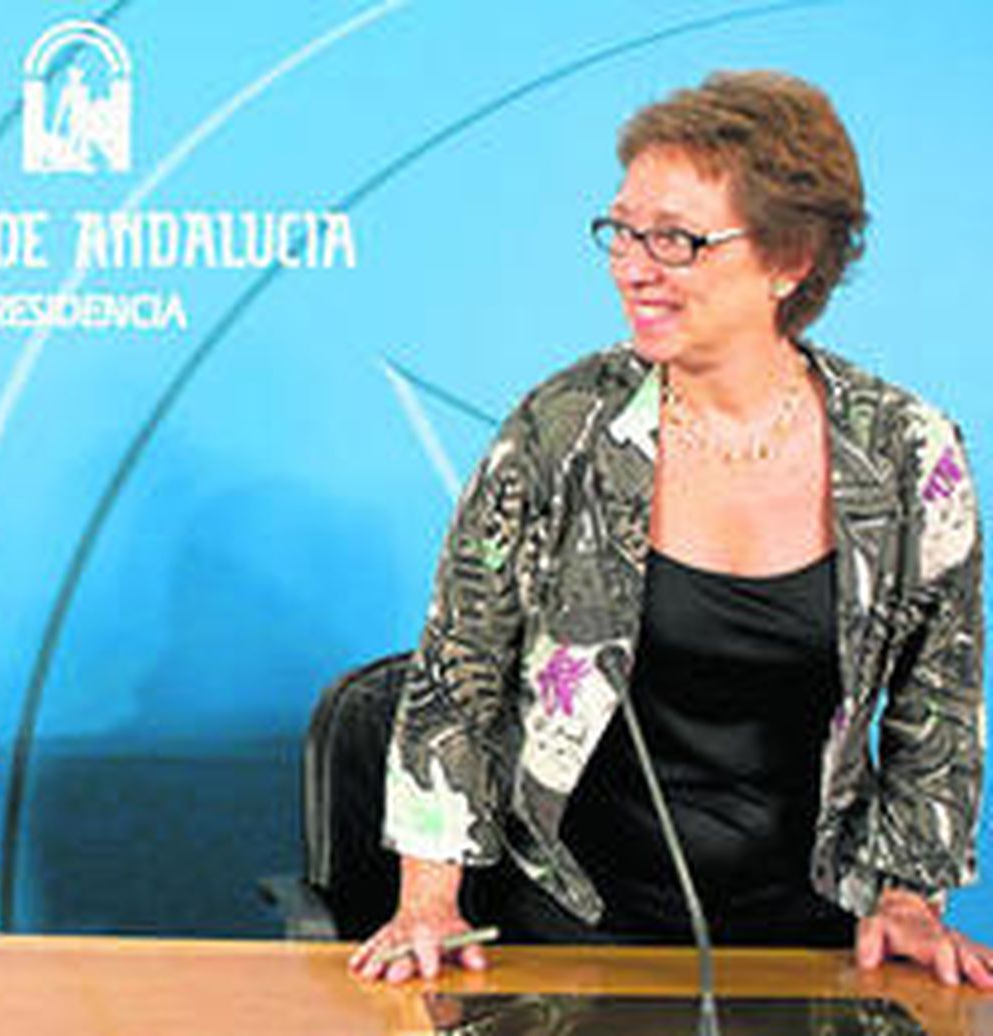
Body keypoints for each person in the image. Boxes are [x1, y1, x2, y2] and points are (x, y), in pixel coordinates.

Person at [349, 71, 993, 987]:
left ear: (790, 258)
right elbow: (459, 675)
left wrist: (908, 901)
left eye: (676, 240)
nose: (632, 266)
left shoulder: (907, 453)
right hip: (573, 930)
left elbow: (941, 705)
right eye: (622, 231)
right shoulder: (560, 430)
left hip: (813, 947)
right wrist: (427, 901)